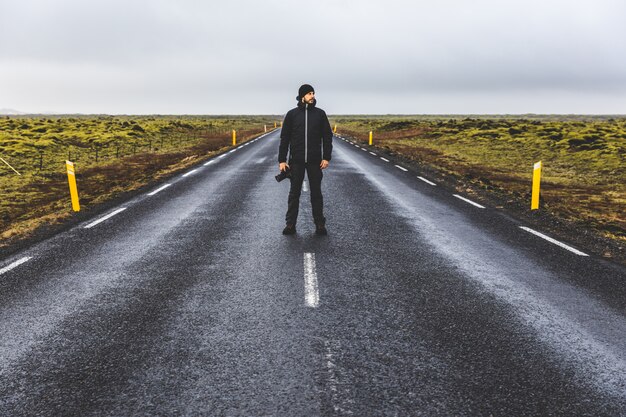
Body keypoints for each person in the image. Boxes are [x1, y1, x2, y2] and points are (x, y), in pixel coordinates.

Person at [278, 84, 333, 235]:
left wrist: (326, 157)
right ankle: (290, 225)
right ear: (302, 96)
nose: (312, 96)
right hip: (296, 160)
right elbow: (285, 138)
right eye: (309, 93)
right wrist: (282, 160)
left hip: (315, 161)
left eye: (313, 93)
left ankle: (320, 225)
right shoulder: (292, 115)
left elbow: (327, 136)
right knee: (294, 194)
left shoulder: (320, 114)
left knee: (316, 193)